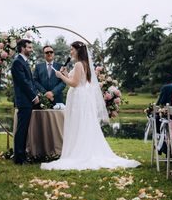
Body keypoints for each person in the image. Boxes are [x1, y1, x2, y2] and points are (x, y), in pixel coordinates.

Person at [41, 41, 140, 170]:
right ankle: (81, 149)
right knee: (81, 123)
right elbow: (78, 80)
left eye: (72, 49)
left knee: (78, 123)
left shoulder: (78, 64)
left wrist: (60, 76)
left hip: (78, 97)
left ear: (78, 50)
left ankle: (79, 153)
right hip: (81, 96)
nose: (70, 52)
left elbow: (75, 83)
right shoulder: (85, 64)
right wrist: (65, 74)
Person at [10, 39, 40, 164]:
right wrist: (34, 97)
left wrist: (36, 93)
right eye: (29, 47)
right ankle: (19, 158)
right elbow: (23, 83)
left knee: (24, 129)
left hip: (28, 100)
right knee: (21, 130)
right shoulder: (18, 62)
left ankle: (21, 156)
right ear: (22, 48)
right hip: (24, 101)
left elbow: (30, 81)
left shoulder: (24, 62)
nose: (31, 50)